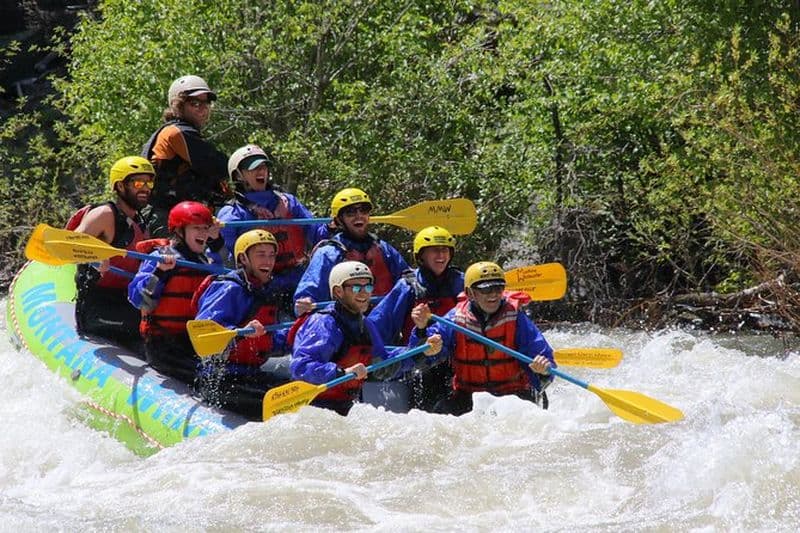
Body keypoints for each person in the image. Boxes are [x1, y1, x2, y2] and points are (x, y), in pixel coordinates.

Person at [290, 261, 442, 416]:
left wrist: (422, 345)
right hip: (314, 406)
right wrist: (342, 372)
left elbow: (384, 366)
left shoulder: (365, 325)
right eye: (356, 287)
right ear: (338, 292)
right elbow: (300, 366)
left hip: (345, 406)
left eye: (368, 287)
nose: (364, 293)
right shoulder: (324, 324)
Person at [409, 261, 555, 416]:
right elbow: (419, 356)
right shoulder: (454, 320)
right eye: (486, 289)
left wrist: (543, 370)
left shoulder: (516, 318)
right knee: (439, 413)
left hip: (513, 396)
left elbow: (542, 358)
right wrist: (423, 334)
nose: (493, 294)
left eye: (498, 288)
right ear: (470, 293)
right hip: (469, 397)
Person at [193, 229, 294, 420]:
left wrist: (300, 331)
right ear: (244, 259)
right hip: (222, 378)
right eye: (261, 255)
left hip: (251, 374)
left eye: (272, 255)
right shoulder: (229, 288)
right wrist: (240, 332)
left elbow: (271, 342)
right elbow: (204, 333)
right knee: (282, 406)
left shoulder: (265, 290)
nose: (268, 261)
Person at [216, 144, 328, 308]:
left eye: (263, 167)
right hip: (259, 289)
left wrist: (333, 226)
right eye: (253, 168)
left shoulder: (288, 202)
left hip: (300, 280)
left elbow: (319, 234)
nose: (261, 172)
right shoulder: (232, 214)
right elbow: (227, 259)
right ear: (238, 175)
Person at [369, 226, 464, 411]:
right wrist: (374, 356)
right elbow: (378, 324)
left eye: (445, 250)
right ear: (421, 256)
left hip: (457, 359)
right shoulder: (408, 286)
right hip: (419, 361)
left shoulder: (462, 282)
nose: (441, 255)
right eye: (434, 251)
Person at [66, 155, 154, 353]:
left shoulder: (141, 221)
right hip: (97, 307)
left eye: (149, 182)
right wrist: (94, 256)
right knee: (151, 326)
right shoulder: (105, 214)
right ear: (120, 186)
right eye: (139, 182)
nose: (146, 188)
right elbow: (69, 247)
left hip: (125, 301)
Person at [128, 201, 220, 384]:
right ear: (179, 231)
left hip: (194, 343)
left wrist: (217, 242)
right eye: (196, 228)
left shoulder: (208, 261)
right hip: (163, 345)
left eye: (206, 228)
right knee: (209, 378)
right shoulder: (159, 258)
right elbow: (140, 301)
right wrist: (160, 272)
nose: (203, 233)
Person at [293, 188, 409, 316]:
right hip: (345, 325)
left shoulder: (383, 248)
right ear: (338, 221)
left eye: (363, 210)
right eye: (350, 212)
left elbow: (407, 276)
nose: (359, 216)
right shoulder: (328, 253)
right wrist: (304, 303)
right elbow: (308, 293)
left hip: (384, 323)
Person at [141, 74, 230, 237]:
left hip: (178, 215)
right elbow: (220, 167)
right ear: (179, 106)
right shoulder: (177, 133)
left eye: (206, 103)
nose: (202, 108)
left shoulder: (180, 132)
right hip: (165, 217)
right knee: (176, 261)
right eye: (195, 103)